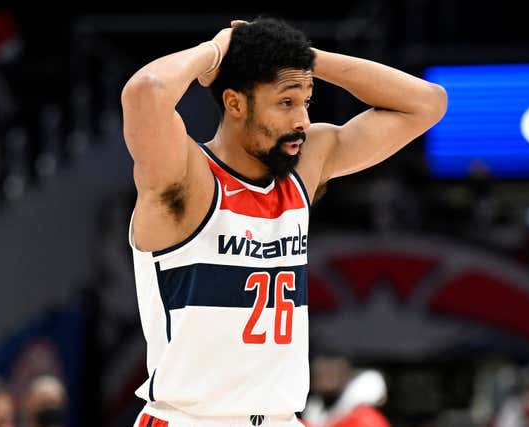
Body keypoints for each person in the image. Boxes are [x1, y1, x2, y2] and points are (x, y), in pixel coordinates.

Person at [121, 17, 446, 427]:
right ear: (236, 103)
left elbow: (427, 103)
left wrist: (305, 59)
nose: (303, 121)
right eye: (286, 103)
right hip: (192, 419)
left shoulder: (304, 168)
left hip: (281, 419)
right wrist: (217, 50)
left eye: (306, 101)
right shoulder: (186, 178)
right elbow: (146, 92)